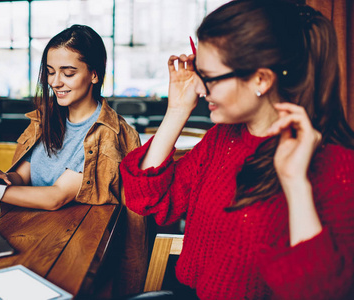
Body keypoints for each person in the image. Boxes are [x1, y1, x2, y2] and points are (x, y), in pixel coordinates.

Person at [120, 0, 354, 299]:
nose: (200, 89)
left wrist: (296, 184)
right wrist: (177, 110)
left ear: (261, 79)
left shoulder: (338, 167)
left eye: (209, 77)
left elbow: (321, 293)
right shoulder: (224, 138)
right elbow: (149, 201)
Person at [0, 25, 149, 295]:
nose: (55, 82)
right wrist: (0, 177)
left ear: (94, 74)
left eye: (68, 72)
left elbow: (56, 197)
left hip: (77, 248)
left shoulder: (106, 134)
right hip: (32, 232)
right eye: (50, 72)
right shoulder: (47, 118)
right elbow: (23, 177)